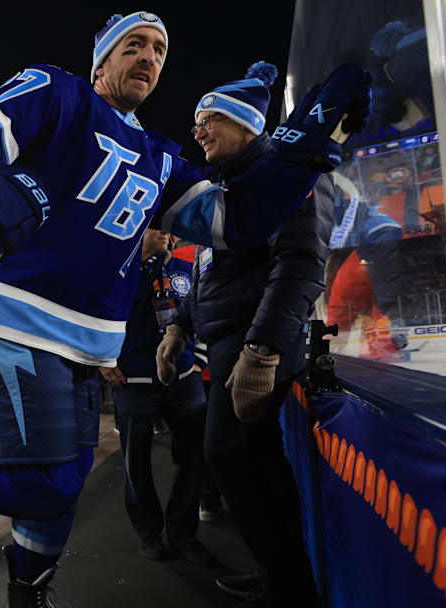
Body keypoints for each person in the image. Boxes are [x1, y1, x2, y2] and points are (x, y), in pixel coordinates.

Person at [0, 11, 370, 605]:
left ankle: (29, 591)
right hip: (18, 318)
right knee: (43, 487)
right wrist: (6, 189)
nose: (149, 58)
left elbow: (237, 220)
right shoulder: (59, 91)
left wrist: (302, 157)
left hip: (91, 343)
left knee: (66, 486)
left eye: (159, 50)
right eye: (135, 45)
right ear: (102, 61)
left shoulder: (159, 156)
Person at [157, 62, 336, 607]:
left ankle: (290, 586)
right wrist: (179, 327)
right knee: (250, 461)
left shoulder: (287, 172)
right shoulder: (229, 188)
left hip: (256, 340)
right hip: (231, 340)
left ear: (245, 122)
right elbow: (213, 273)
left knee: (231, 454)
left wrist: (263, 349)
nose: (198, 130)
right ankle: (278, 572)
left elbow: (301, 263)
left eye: (207, 118)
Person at [102, 229, 212, 565]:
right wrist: (103, 361)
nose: (165, 232)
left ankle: (183, 533)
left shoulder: (185, 260)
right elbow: (97, 312)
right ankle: (148, 532)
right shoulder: (116, 267)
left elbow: (203, 309)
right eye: (156, 225)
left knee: (193, 459)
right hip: (133, 381)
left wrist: (200, 362)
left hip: (184, 378)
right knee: (137, 462)